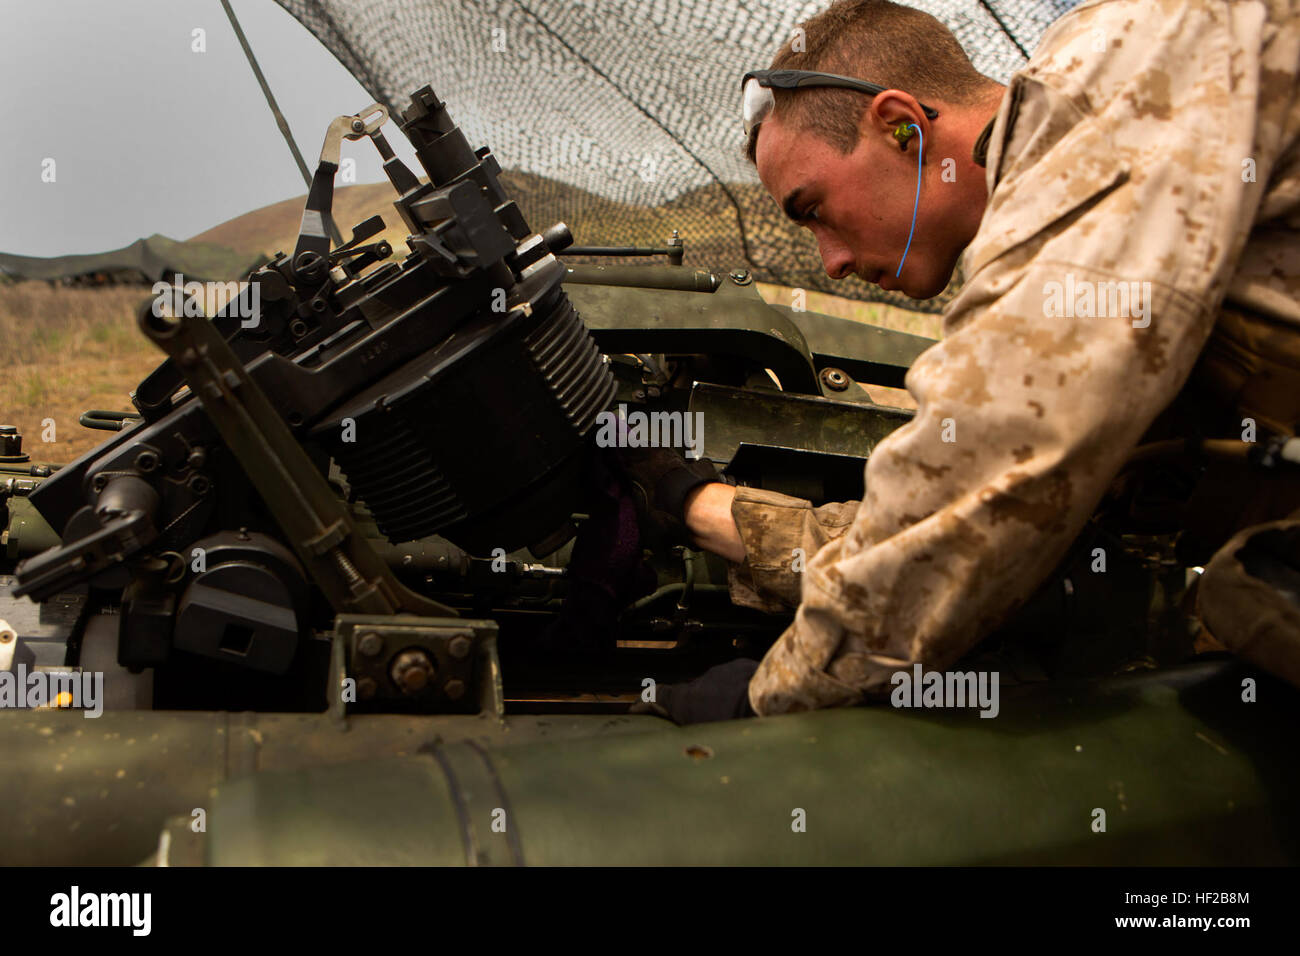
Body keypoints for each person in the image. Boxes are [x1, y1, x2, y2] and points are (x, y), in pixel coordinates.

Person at [629, 0, 1300, 723]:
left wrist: (772, 697)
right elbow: (930, 520)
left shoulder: (1124, 71)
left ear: (902, 126)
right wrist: (691, 503)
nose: (833, 262)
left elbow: (992, 482)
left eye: (813, 207)